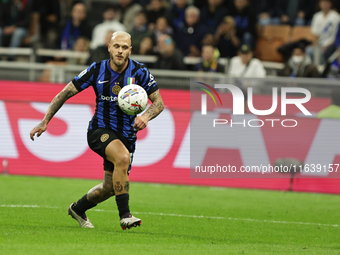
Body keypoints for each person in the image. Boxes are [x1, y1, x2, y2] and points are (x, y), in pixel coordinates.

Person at [30, 31, 164, 230]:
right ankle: (125, 216)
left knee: (110, 188)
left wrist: (145, 116)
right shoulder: (96, 69)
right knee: (122, 158)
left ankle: (77, 208)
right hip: (99, 130)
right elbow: (65, 93)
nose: (120, 51)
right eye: (116, 46)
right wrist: (45, 120)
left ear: (130, 50)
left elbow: (159, 103)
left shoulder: (140, 72)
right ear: (109, 47)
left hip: (127, 135)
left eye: (124, 47)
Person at [305, 0, 340, 65]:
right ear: (319, 4)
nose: (325, 4)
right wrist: (315, 44)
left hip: (331, 43)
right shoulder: (316, 16)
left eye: (327, 3)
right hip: (320, 43)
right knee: (309, 50)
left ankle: (323, 69)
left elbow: (337, 36)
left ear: (330, 4)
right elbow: (314, 34)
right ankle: (312, 69)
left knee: (323, 52)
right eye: (323, 3)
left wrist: (327, 46)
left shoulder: (336, 17)